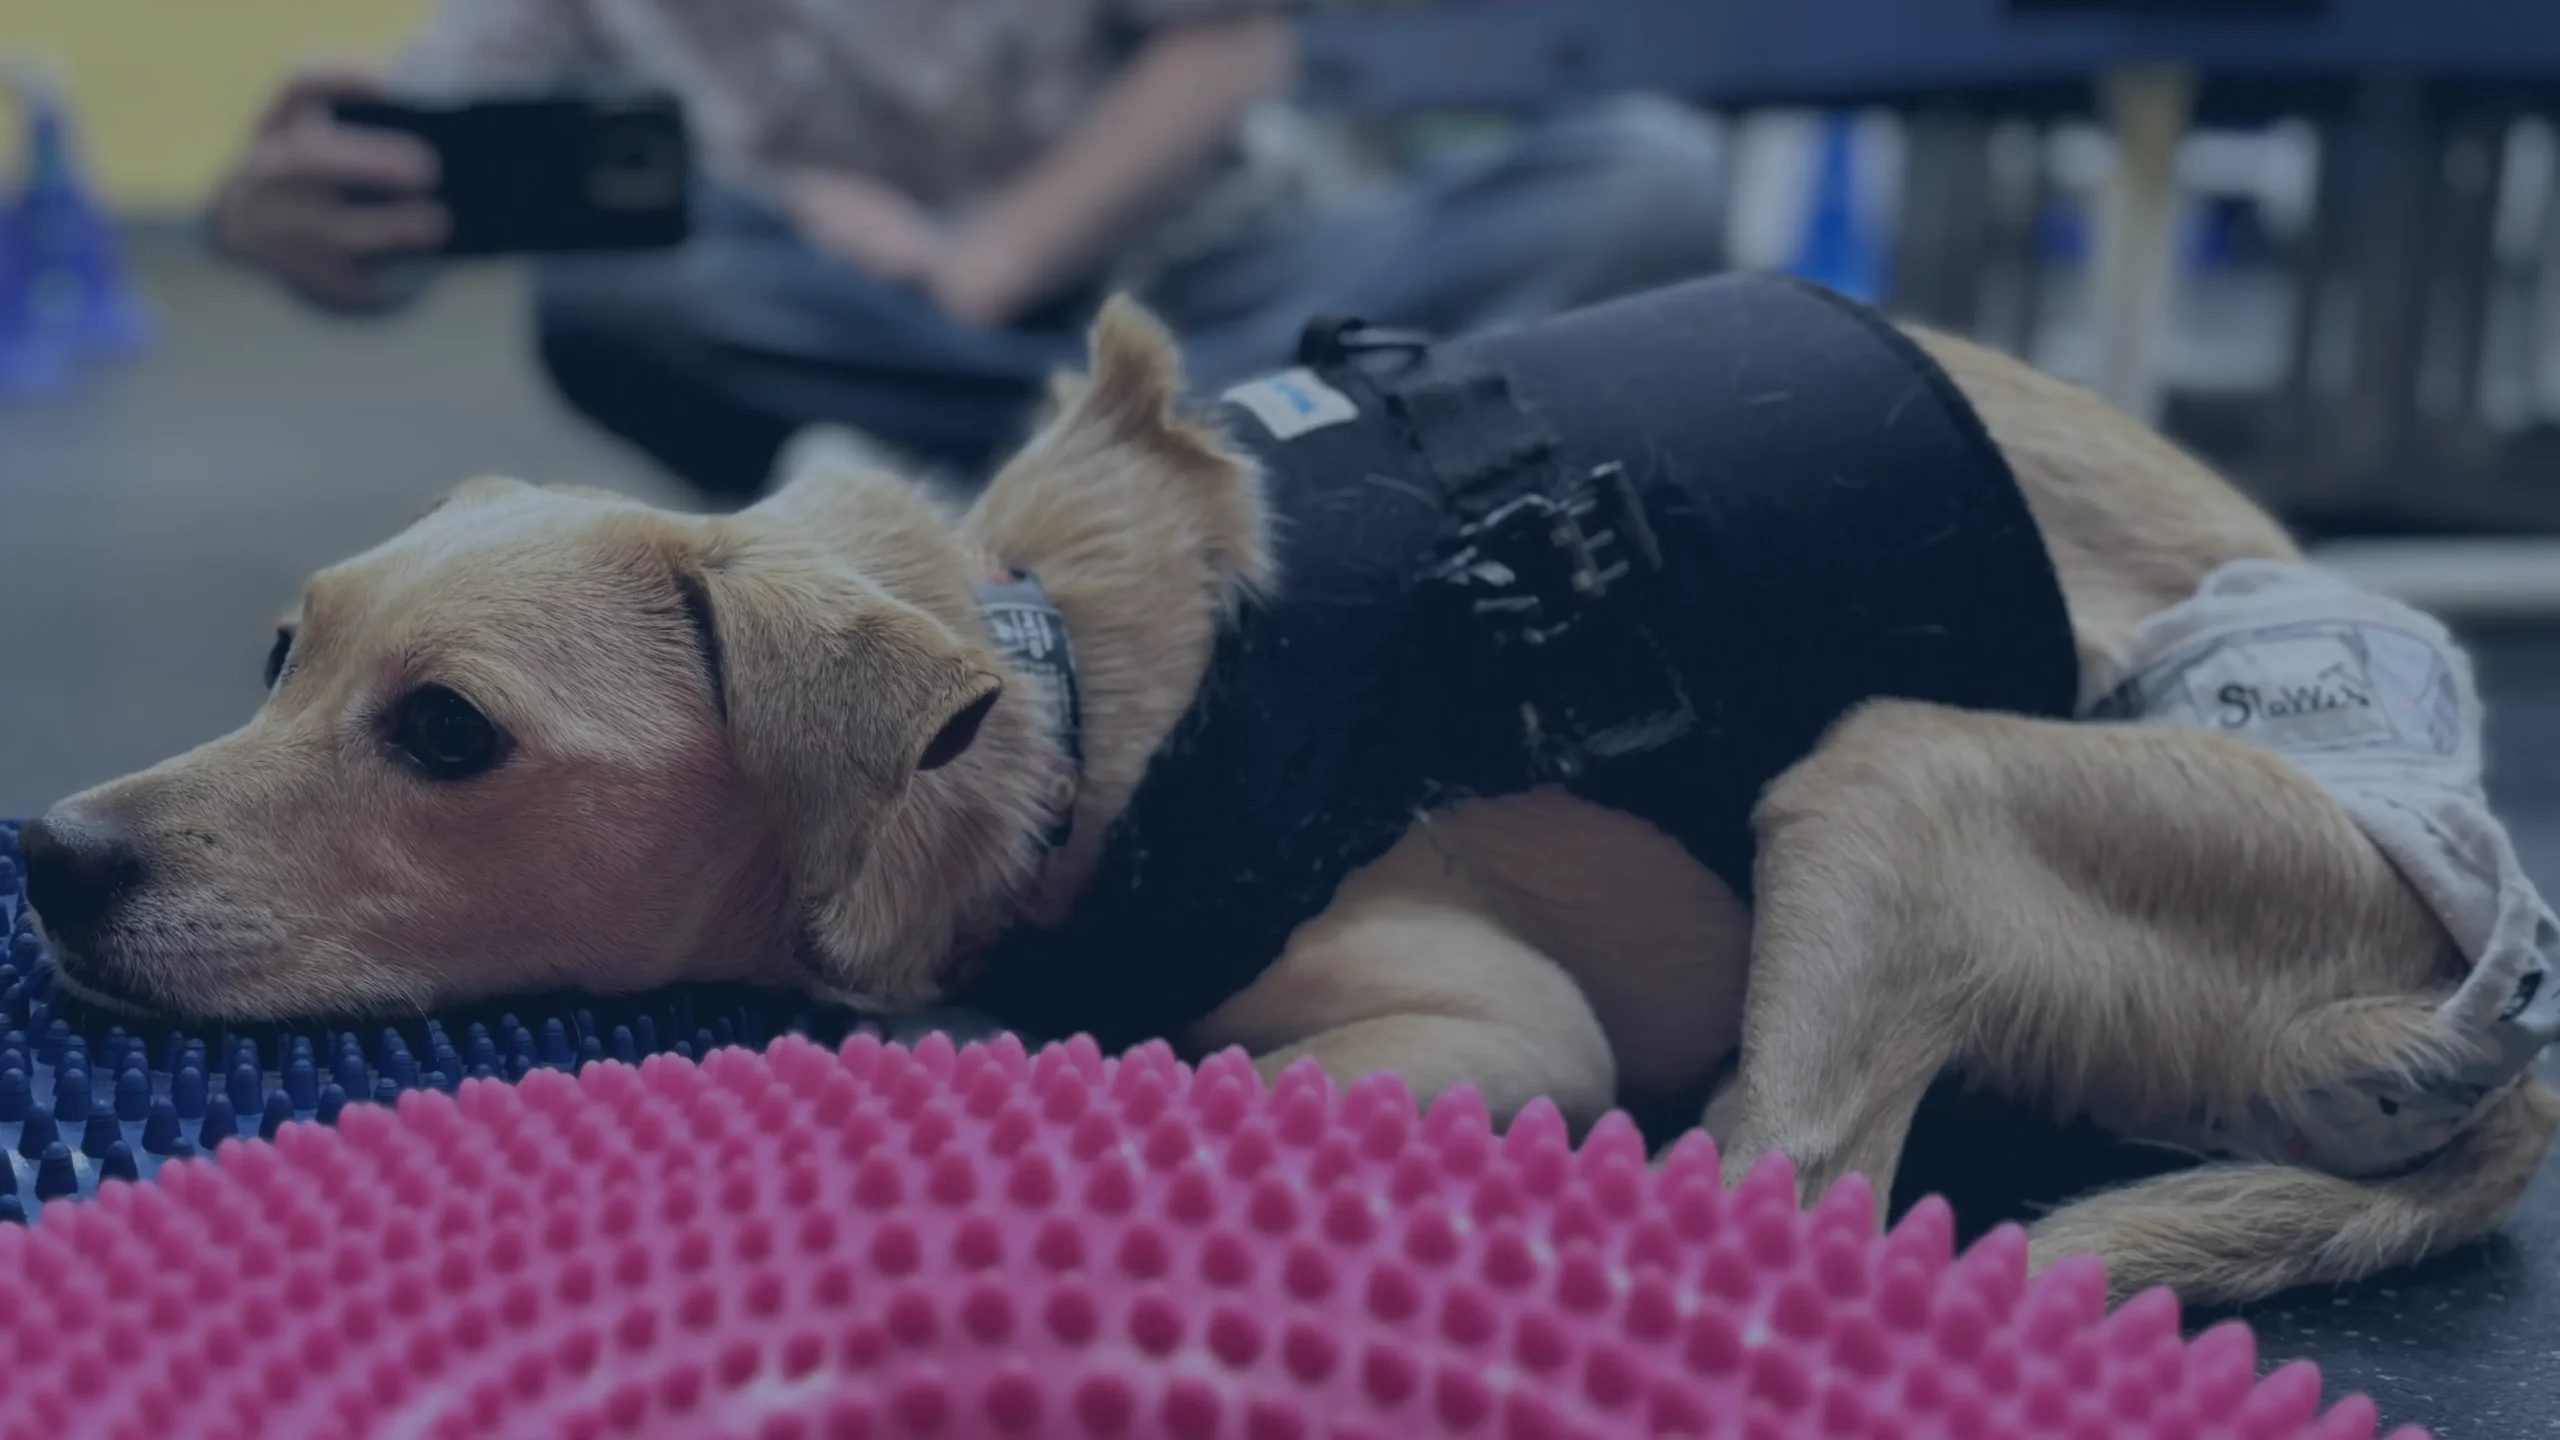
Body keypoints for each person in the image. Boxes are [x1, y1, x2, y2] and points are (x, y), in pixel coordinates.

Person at [207, 0, 1728, 498]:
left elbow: (1228, 45)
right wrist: (270, 214)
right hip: (879, 337)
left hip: (1212, 289)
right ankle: (1210, 473)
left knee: (1643, 174)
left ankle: (967, 500)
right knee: (613, 285)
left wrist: (973, 256)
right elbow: (413, 174)